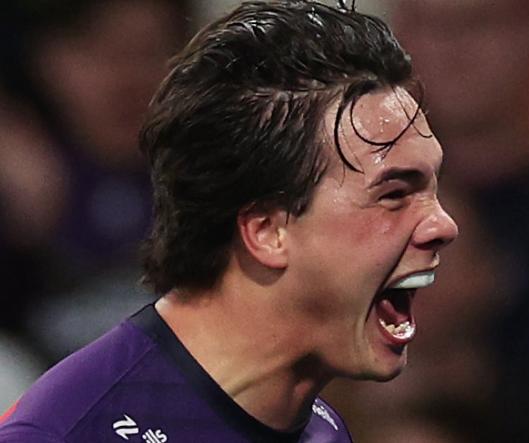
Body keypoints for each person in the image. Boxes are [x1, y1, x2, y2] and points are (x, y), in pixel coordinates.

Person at [0, 0, 458, 441]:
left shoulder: (322, 428)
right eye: (395, 193)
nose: (443, 225)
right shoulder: (69, 434)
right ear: (266, 230)